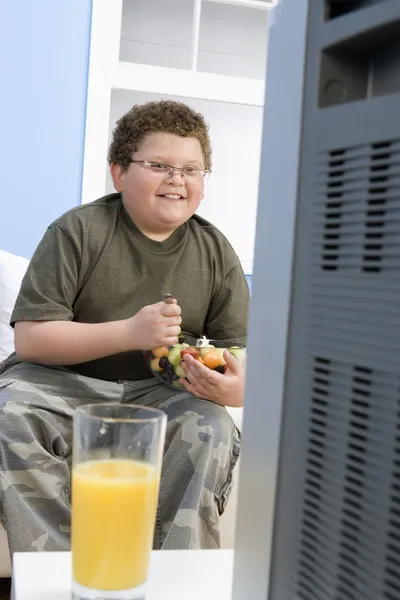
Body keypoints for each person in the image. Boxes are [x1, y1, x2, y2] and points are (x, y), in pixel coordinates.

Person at [0, 100, 249, 554]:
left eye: (192, 169)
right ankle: (60, 572)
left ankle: (175, 577)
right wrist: (131, 332)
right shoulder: (77, 230)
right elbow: (32, 339)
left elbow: (237, 356)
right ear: (118, 172)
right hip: (60, 383)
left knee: (212, 425)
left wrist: (235, 391)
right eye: (159, 165)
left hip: (160, 393)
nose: (177, 179)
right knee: (9, 412)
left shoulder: (216, 252)